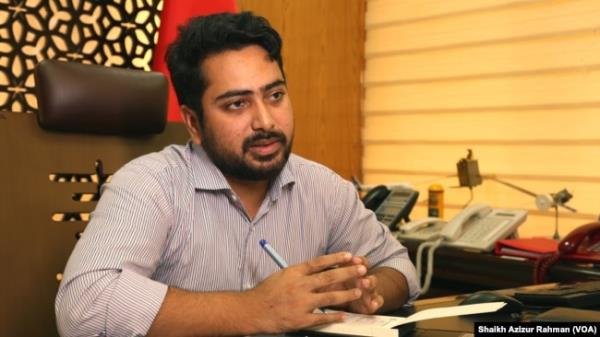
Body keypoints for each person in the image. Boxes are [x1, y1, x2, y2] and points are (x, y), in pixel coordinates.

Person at [55, 12, 420, 337]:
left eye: (275, 95)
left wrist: (368, 292)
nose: (265, 121)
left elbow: (399, 266)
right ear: (194, 123)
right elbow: (84, 307)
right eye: (237, 104)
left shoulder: (322, 186)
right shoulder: (148, 185)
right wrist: (256, 309)